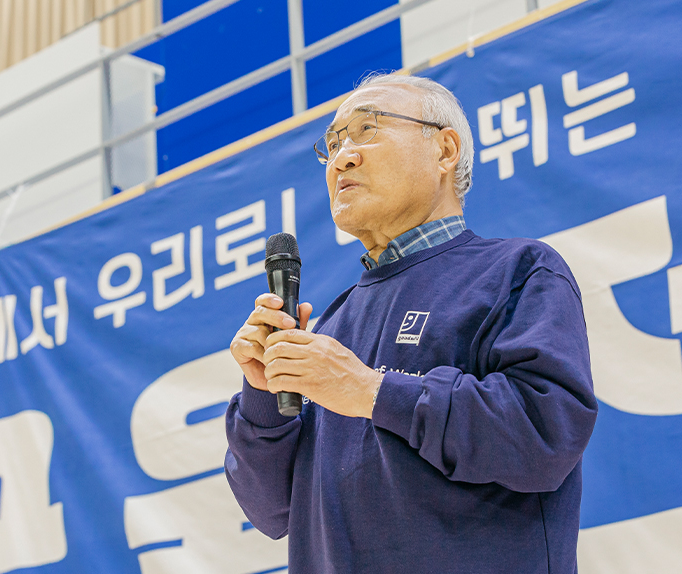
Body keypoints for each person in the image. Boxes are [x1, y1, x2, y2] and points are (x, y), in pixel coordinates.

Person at [224, 72, 598, 574]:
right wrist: (262, 395)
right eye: (333, 144)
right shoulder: (328, 328)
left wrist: (371, 391)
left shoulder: (518, 271)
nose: (342, 158)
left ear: (445, 150)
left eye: (367, 129)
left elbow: (544, 433)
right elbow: (271, 510)